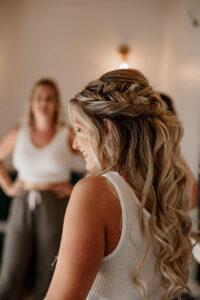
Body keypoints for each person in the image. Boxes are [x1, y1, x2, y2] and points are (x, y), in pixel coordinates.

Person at [45, 69, 199, 300]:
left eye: (79, 129)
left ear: (106, 129)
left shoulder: (94, 192)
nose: (75, 144)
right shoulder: (166, 190)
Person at [0, 78, 74, 300]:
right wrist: (8, 187)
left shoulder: (66, 133)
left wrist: (76, 188)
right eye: (39, 97)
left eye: (49, 98)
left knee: (49, 271)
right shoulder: (19, 132)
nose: (44, 102)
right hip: (22, 200)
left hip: (54, 202)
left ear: (56, 103)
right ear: (32, 102)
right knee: (10, 270)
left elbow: (99, 158)